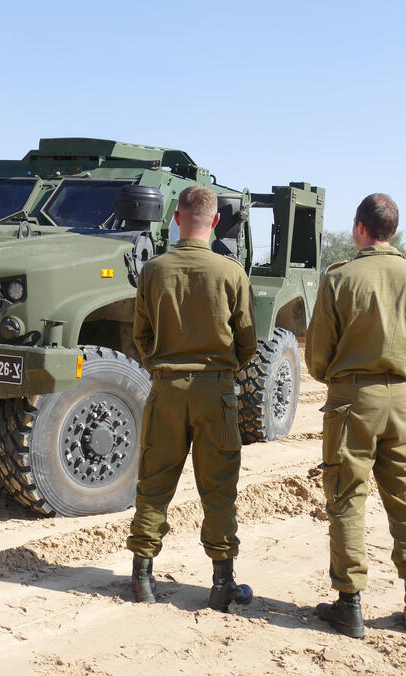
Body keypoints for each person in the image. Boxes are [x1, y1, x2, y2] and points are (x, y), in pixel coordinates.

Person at [305, 193, 406, 638]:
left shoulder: (339, 278)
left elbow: (318, 353)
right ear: (394, 231)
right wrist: (399, 376)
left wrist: (340, 378)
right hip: (402, 400)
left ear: (360, 228)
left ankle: (350, 606)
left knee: (346, 498)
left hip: (352, 399)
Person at [126, 185, 257, 611]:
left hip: (166, 388)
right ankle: (222, 583)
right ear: (215, 221)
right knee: (219, 488)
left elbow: (141, 335)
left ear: (176, 218)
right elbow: (248, 341)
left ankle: (142, 579)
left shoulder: (153, 270)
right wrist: (222, 370)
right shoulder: (231, 272)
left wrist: (161, 365)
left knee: (154, 483)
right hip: (215, 391)